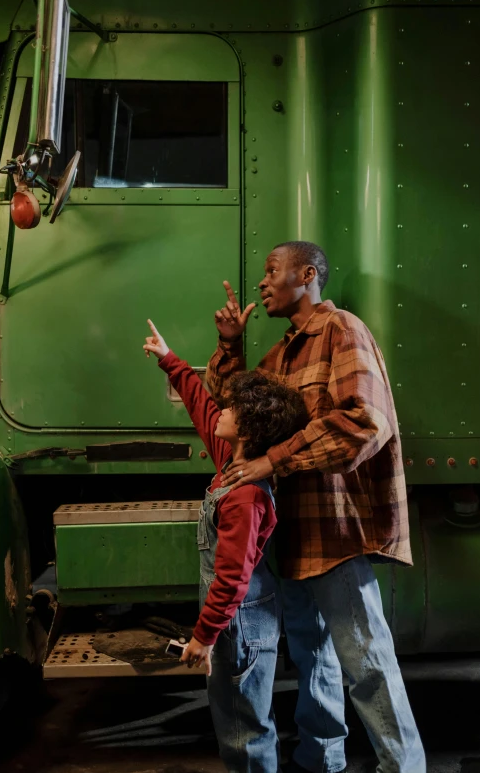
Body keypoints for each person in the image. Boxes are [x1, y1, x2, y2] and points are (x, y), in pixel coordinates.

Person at [206, 242, 427, 773]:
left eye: (271, 271)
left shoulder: (340, 331)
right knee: (314, 658)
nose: (262, 283)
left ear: (306, 275)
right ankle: (321, 761)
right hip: (297, 536)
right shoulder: (285, 351)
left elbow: (364, 423)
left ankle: (406, 767)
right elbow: (237, 406)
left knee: (368, 664)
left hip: (335, 534)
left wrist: (272, 463)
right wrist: (230, 344)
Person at [142, 319, 308, 773]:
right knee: (240, 719)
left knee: (242, 727)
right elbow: (201, 407)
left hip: (240, 623)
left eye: (231, 410)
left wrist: (203, 636)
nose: (221, 412)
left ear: (249, 431)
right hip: (239, 619)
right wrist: (170, 361)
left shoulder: (245, 494)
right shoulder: (231, 465)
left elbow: (233, 577)